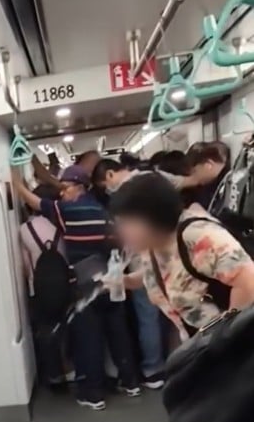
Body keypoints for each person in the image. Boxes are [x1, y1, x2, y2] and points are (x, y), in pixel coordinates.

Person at [13, 165, 141, 410]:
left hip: (86, 284)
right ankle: (131, 382)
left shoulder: (71, 210)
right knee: (118, 333)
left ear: (77, 187)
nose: (62, 194)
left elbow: (38, 203)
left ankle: (93, 395)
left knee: (88, 338)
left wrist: (16, 184)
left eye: (65, 188)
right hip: (112, 278)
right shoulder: (102, 209)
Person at [111, 173, 254, 338]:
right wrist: (127, 281)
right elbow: (167, 274)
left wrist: (228, 336)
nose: (122, 232)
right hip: (200, 343)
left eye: (129, 224)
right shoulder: (152, 245)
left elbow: (248, 282)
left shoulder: (198, 236)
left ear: (155, 216)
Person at [91, 159, 167, 388]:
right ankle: (161, 366)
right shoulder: (151, 179)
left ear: (111, 174)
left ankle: (153, 369)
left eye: (105, 184)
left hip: (144, 253)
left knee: (147, 313)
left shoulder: (131, 192)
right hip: (160, 251)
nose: (107, 190)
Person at [19, 184, 72, 388]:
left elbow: (24, 265)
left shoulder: (25, 230)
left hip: (40, 289)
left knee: (46, 331)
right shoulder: (64, 224)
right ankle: (72, 369)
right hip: (67, 285)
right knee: (68, 328)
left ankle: (54, 376)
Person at [186, 141, 231, 210]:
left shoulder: (229, 186)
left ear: (208, 165)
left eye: (195, 171)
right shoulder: (221, 183)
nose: (193, 177)